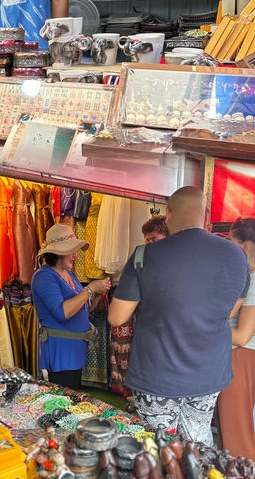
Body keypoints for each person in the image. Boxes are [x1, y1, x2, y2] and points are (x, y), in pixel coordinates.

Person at [109, 186, 250, 446]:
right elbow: (228, 311)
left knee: (158, 446)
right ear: (205, 215)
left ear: (169, 215)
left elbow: (117, 317)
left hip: (157, 372)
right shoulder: (237, 256)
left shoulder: (144, 255)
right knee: (197, 440)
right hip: (208, 372)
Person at [32, 223, 111, 390]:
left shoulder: (69, 274)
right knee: (62, 403)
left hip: (74, 352)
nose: (75, 255)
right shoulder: (44, 277)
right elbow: (62, 312)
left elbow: (82, 310)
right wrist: (90, 289)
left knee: (72, 399)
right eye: (71, 250)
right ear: (57, 252)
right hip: (61, 354)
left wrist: (96, 296)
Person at [110, 216, 168, 398]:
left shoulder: (143, 258)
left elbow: (116, 316)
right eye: (147, 240)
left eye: (154, 239)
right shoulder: (142, 259)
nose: (150, 244)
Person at [216, 217, 255, 459]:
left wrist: (201, 328)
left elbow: (242, 336)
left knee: (237, 437)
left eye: (230, 241)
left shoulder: (253, 280)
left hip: (241, 358)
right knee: (232, 433)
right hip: (238, 357)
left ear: (245, 247)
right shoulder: (246, 276)